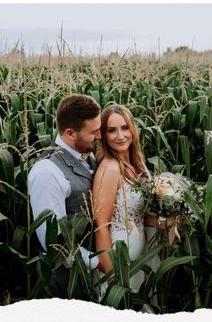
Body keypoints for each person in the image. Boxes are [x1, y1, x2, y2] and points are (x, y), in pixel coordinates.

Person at [27, 94, 102, 299]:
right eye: (93, 132)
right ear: (70, 133)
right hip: (67, 283)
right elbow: (53, 242)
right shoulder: (47, 172)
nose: (99, 136)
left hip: (92, 273)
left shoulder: (85, 153)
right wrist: (98, 262)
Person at [92, 104, 164, 296]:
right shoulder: (110, 168)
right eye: (112, 130)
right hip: (119, 262)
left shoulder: (137, 165)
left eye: (125, 128)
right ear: (103, 135)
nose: (120, 135)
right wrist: (113, 276)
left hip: (140, 259)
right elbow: (101, 225)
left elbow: (136, 215)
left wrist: (165, 223)